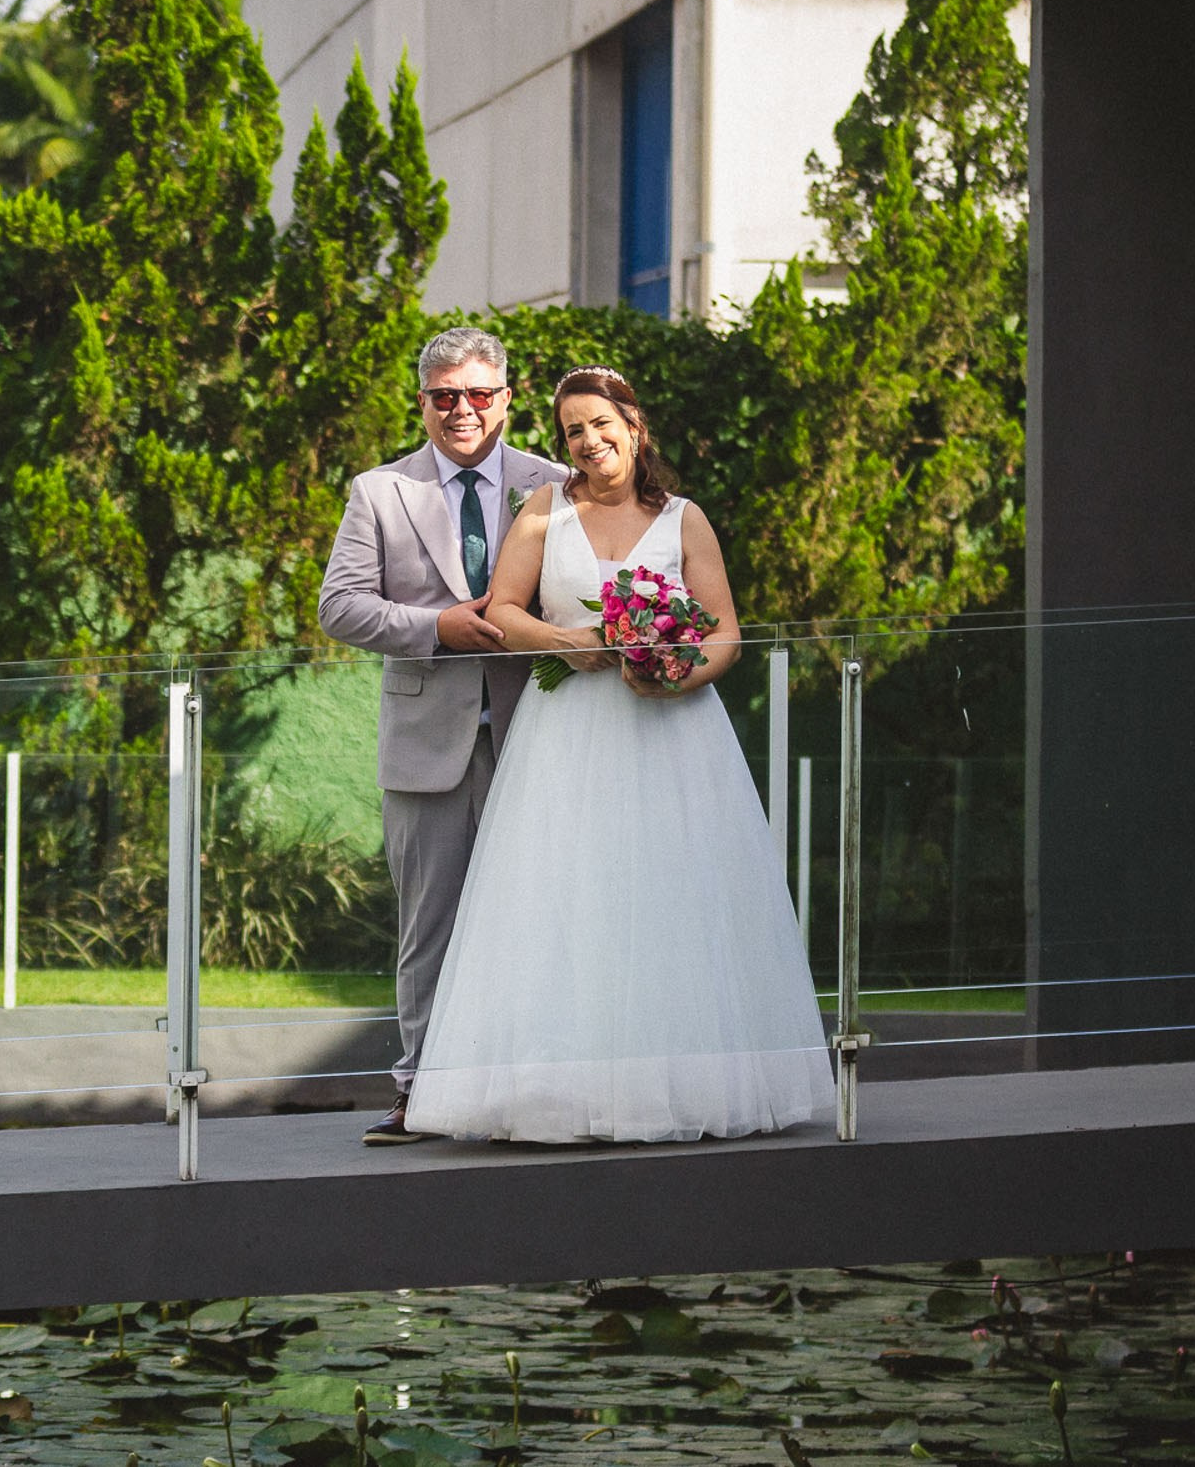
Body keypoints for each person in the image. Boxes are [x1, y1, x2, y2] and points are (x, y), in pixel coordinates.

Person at [403, 366, 833, 1143]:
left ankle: (681, 1089)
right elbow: (502, 607)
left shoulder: (684, 519)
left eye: (601, 423)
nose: (590, 440)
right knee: (568, 900)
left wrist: (680, 674)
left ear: (633, 425)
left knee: (675, 901)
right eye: (573, 430)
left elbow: (725, 630)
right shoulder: (544, 510)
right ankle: (558, 1097)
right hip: (567, 738)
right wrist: (563, 641)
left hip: (675, 732)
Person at [318, 326, 563, 1145]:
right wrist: (437, 627)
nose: (464, 411)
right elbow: (341, 607)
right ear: (422, 403)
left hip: (547, 737)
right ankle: (419, 1091)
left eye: (480, 395)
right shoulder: (380, 491)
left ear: (507, 399)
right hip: (429, 748)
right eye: (446, 397)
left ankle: (536, 1089)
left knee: (544, 917)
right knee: (432, 926)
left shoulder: (556, 484)